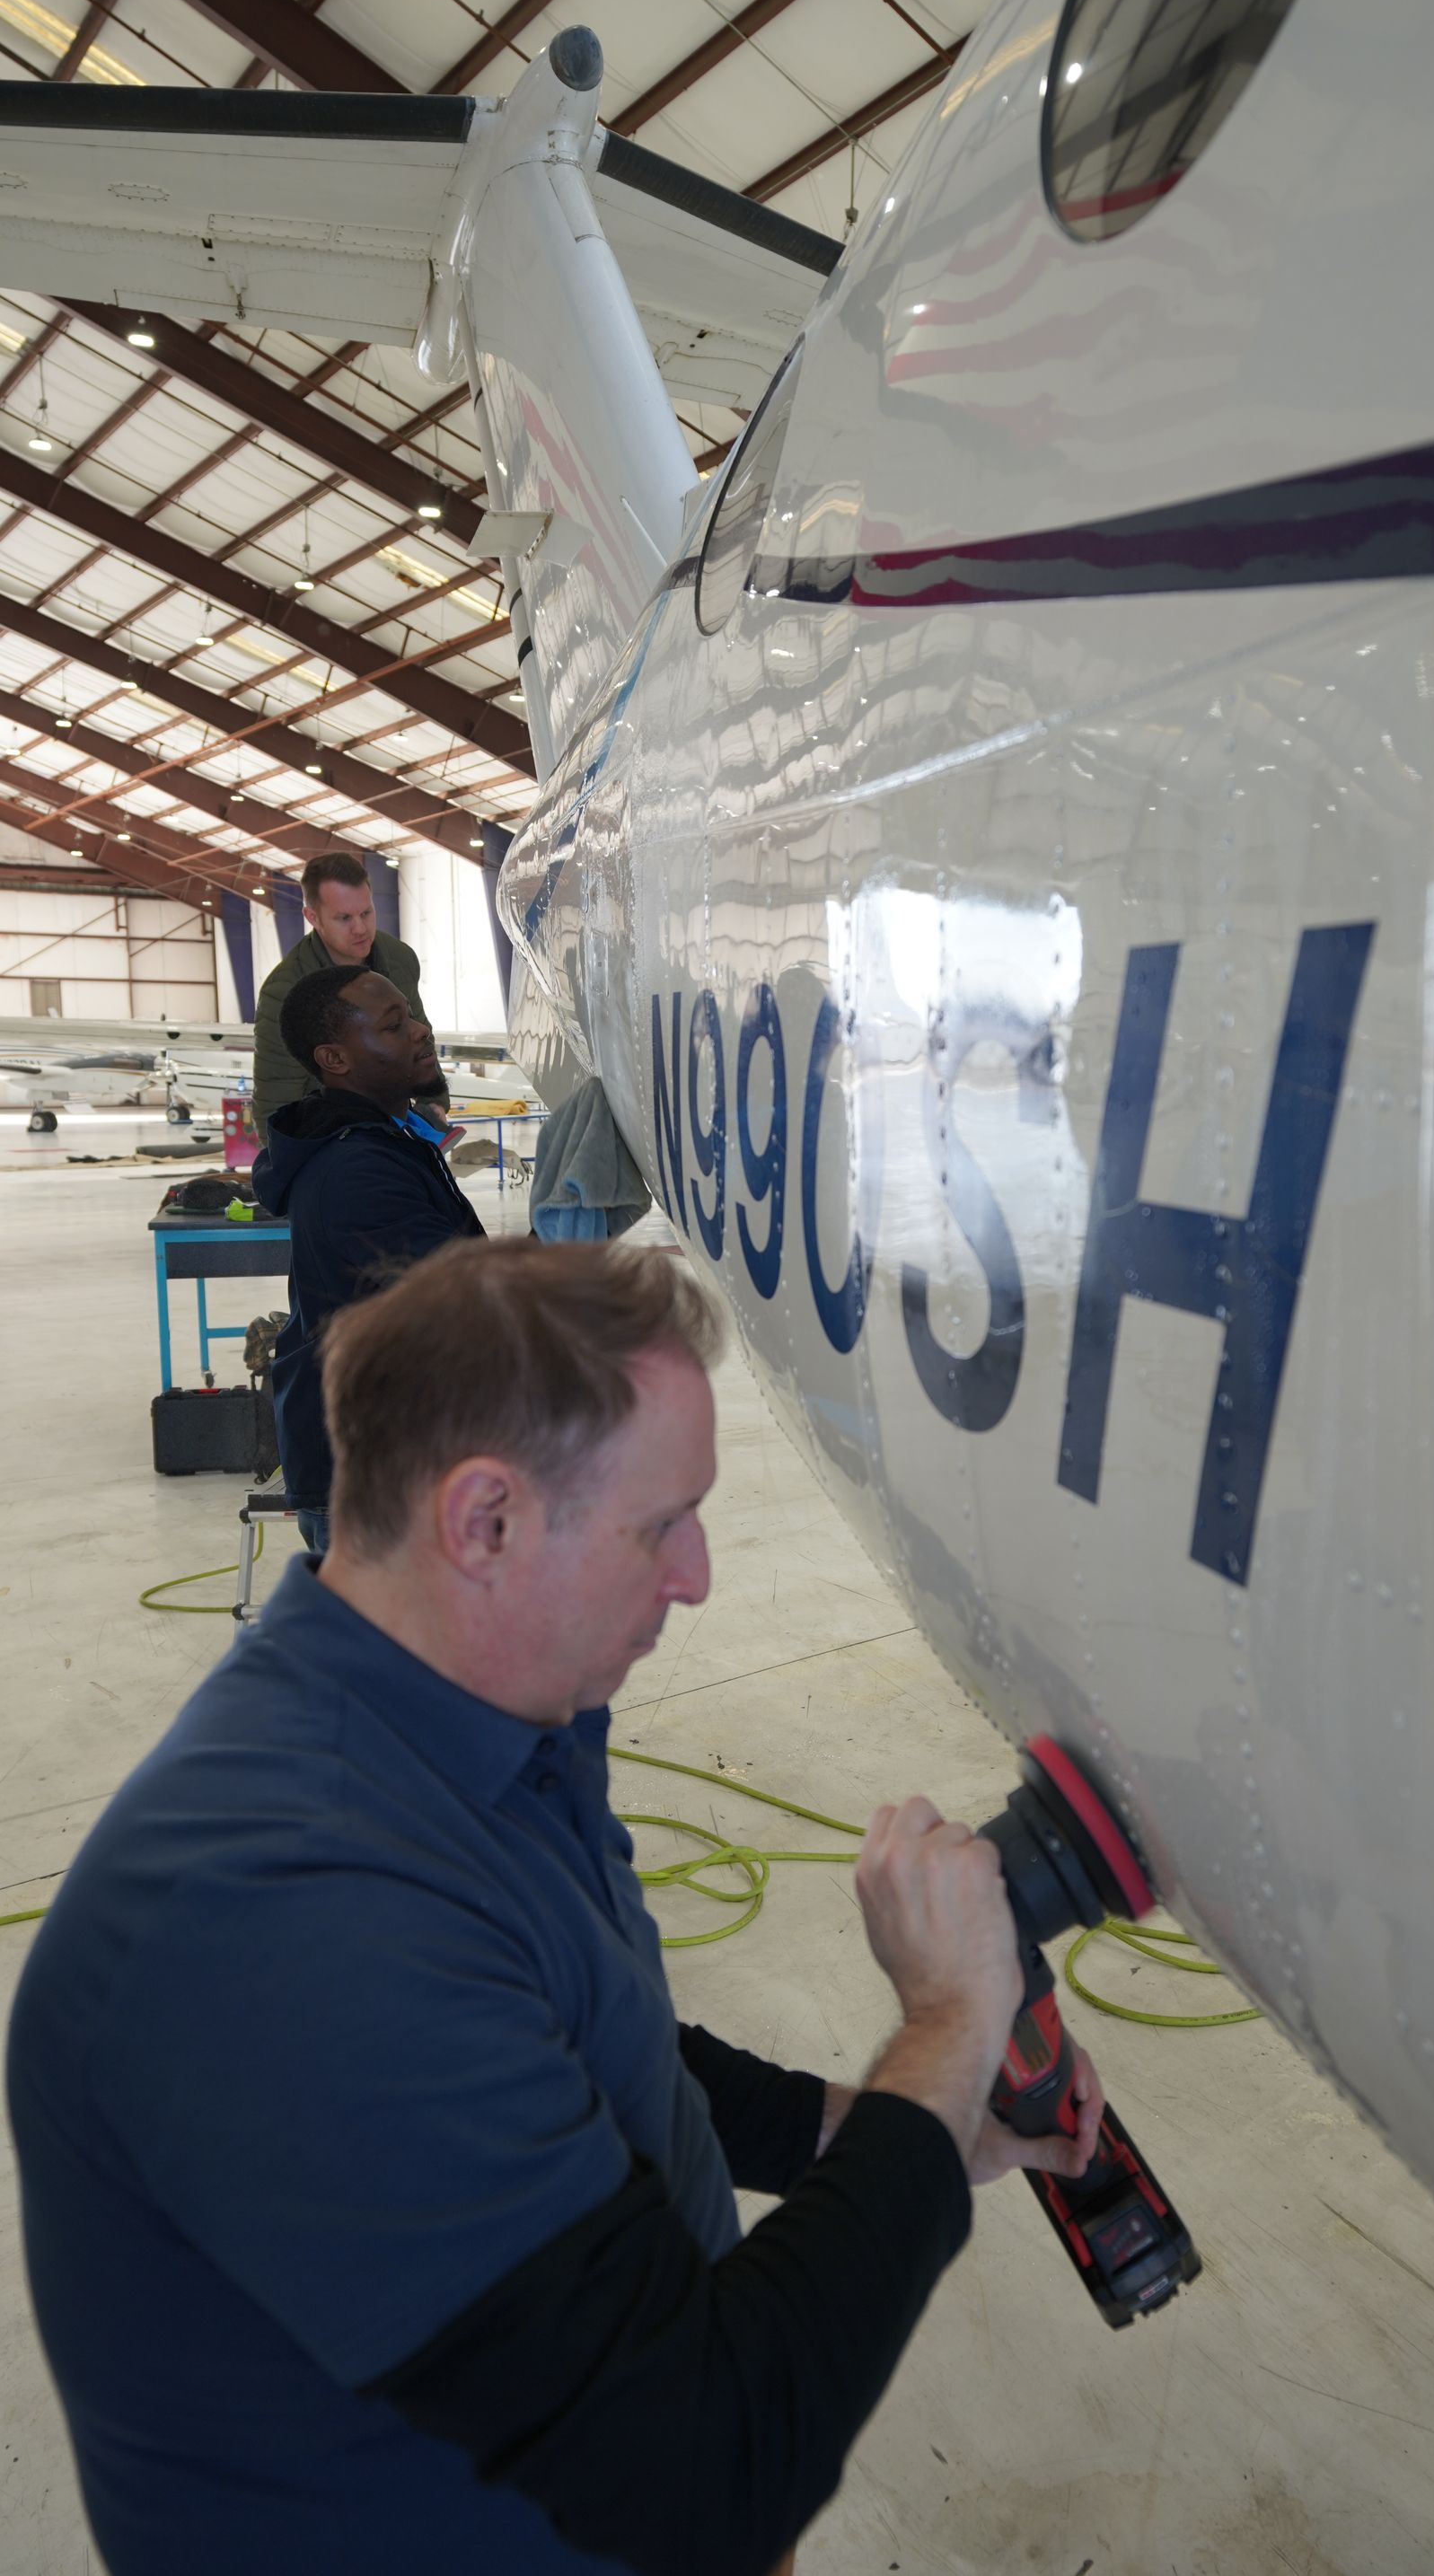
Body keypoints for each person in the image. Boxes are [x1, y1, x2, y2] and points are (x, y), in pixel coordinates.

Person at [6, 1239, 1102, 2576]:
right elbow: (705, 2476)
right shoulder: (275, 1920)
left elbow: (592, 2048)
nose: (698, 1574)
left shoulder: (482, 1728)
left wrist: (879, 2122)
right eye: (663, 1522)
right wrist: (948, 2020)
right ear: (484, 1521)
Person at [252, 963, 485, 1550]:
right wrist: (560, 1240)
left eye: (411, 1015)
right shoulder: (357, 1172)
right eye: (394, 1024)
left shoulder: (384, 1139)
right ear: (335, 1058)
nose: (420, 1030)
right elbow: (466, 1305)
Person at [251, 849, 448, 1130]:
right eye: (344, 918)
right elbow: (275, 1100)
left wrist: (434, 1101)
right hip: (328, 1136)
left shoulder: (398, 958)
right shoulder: (283, 991)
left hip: (396, 1126)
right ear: (312, 917)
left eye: (366, 913)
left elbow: (417, 1031)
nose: (360, 928)